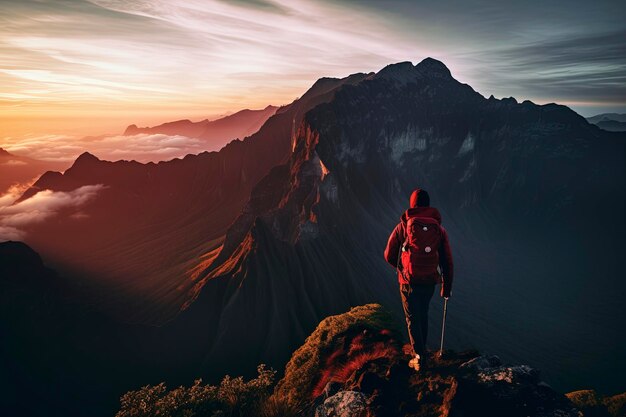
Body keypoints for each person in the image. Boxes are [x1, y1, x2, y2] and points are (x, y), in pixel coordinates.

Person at [384, 188, 454, 371]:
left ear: (412, 204)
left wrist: (401, 269)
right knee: (422, 314)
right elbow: (447, 260)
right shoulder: (439, 229)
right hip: (430, 281)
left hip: (408, 281)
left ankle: (419, 357)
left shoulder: (403, 226)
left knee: (412, 317)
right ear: (428, 205)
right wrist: (446, 287)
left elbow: (388, 254)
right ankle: (423, 352)